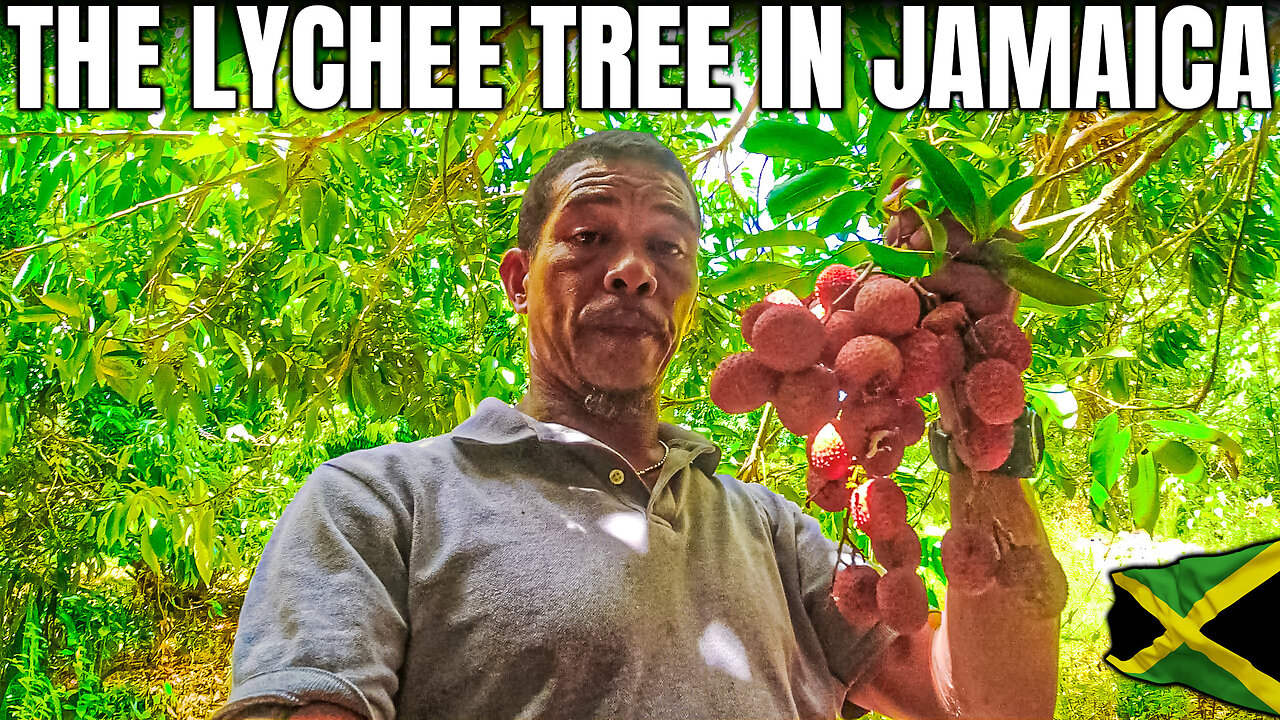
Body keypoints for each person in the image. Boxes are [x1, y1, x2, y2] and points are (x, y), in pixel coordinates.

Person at [211, 130, 1063, 720]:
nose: (631, 273)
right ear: (518, 279)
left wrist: (974, 411)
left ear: (689, 295)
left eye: (669, 249)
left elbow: (991, 705)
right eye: (587, 238)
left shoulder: (770, 532)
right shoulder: (381, 501)